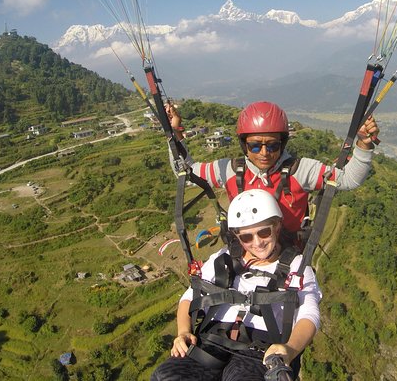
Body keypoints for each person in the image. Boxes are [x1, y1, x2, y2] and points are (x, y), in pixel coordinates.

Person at [151, 189, 322, 381]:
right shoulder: (222, 259)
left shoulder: (297, 266)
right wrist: (183, 332)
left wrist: (289, 349)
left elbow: (310, 314)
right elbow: (190, 297)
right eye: (247, 237)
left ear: (277, 226)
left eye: (264, 232)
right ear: (237, 236)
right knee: (164, 375)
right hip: (212, 341)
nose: (257, 243)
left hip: (260, 349)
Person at [166, 100, 379, 245]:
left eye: (273, 145)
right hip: (245, 251)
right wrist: (174, 134)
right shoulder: (230, 169)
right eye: (256, 146)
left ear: (283, 143)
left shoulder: (301, 169)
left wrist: (364, 144)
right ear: (244, 144)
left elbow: (348, 180)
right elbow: (186, 174)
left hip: (289, 255)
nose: (265, 153)